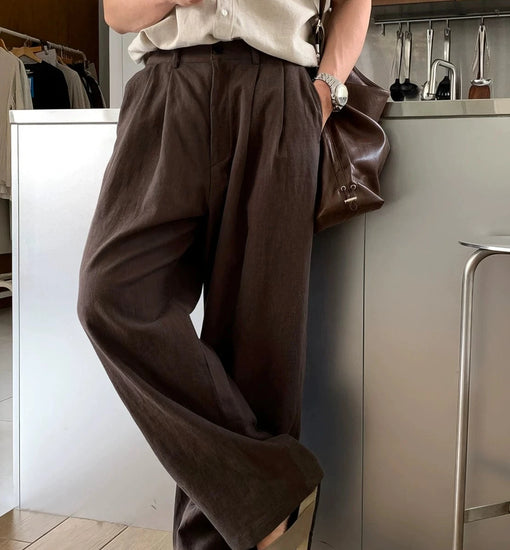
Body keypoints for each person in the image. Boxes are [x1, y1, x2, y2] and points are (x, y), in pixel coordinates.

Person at [77, 1, 371, 549]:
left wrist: (327, 90)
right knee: (111, 297)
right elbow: (118, 12)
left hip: (278, 92)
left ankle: (242, 519)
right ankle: (268, 490)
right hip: (166, 89)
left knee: (259, 348)